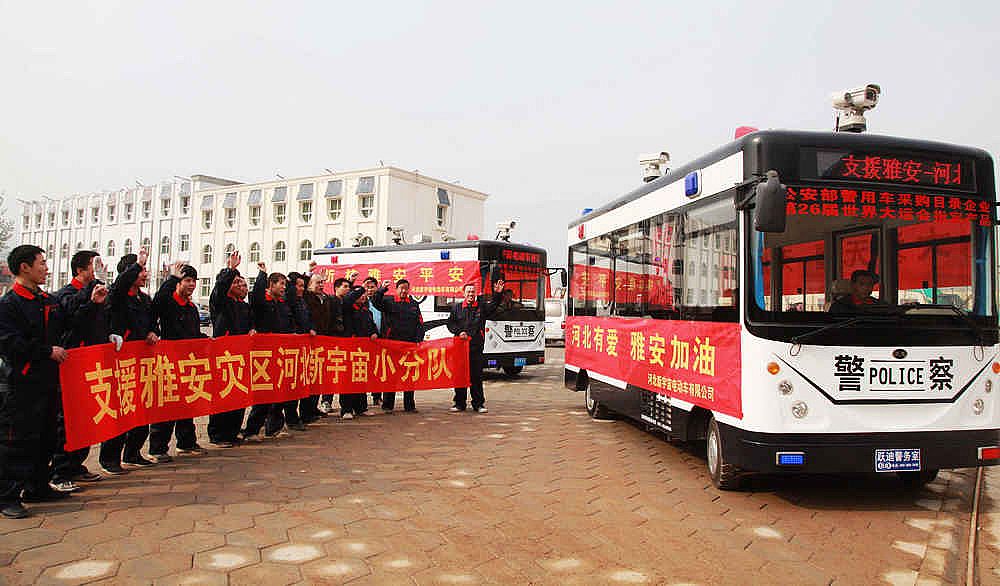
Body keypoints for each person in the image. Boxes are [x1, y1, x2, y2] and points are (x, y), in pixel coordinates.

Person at [0, 245, 69, 518]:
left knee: (45, 436)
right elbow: (8, 343)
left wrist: (92, 302)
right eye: (41, 263)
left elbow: (66, 323)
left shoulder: (46, 300)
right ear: (25, 267)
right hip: (21, 384)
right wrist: (45, 352)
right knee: (17, 441)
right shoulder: (9, 305)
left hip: (47, 382)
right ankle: (7, 496)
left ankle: (37, 486)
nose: (46, 267)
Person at [49, 250, 111, 491]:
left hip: (91, 365)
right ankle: (59, 471)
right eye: (95, 265)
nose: (99, 269)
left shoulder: (98, 295)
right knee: (67, 421)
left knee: (86, 419)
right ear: (81, 270)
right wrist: (91, 296)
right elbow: (72, 320)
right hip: (71, 366)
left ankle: (76, 465)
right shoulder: (65, 295)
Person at [101, 251, 159, 471]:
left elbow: (153, 321)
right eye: (141, 271)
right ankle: (109, 459)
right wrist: (137, 264)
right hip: (121, 362)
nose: (145, 274)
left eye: (144, 270)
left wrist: (153, 332)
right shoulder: (117, 297)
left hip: (143, 362)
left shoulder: (144, 299)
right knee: (121, 410)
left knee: (142, 409)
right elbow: (118, 286)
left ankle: (133, 452)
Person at [148, 262, 209, 462]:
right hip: (167, 363)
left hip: (186, 363)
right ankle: (157, 448)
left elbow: (192, 334)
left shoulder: (191, 308)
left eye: (194, 281)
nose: (191, 285)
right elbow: (159, 300)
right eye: (187, 280)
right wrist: (172, 278)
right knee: (167, 407)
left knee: (186, 405)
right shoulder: (168, 302)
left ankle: (186, 442)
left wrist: (205, 340)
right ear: (179, 283)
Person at [244, 263, 301, 438]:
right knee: (264, 394)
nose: (284, 288)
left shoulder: (283, 304)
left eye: (285, 284)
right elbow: (257, 293)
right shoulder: (260, 301)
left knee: (280, 391)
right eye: (281, 284)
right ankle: (252, 429)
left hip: (281, 353)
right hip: (264, 355)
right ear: (271, 284)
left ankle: (274, 428)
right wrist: (262, 274)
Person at [207, 251, 254, 447]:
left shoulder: (244, 307)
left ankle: (233, 432)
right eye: (236, 283)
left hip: (241, 357)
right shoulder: (221, 303)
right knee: (223, 396)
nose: (241, 287)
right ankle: (217, 434)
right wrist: (230, 270)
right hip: (223, 357)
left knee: (239, 396)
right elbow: (219, 288)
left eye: (243, 284)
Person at [447, 279, 505, 413]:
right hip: (460, 347)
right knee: (460, 376)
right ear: (463, 293)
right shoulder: (456, 308)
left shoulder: (481, 307)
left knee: (476, 376)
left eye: (473, 292)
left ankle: (478, 404)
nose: (471, 294)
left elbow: (494, 306)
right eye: (468, 291)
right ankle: (459, 404)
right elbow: (450, 324)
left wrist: (497, 294)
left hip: (476, 347)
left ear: (476, 293)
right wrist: (458, 332)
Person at [372, 279, 424, 413]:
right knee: (391, 375)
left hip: (409, 346)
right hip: (392, 345)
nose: (404, 291)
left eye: (406, 288)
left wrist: (418, 339)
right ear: (396, 289)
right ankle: (388, 405)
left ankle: (409, 405)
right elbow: (375, 301)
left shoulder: (413, 304)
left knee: (409, 375)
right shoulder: (389, 302)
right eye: (401, 288)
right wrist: (382, 289)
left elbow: (419, 323)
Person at [339, 276, 379, 419]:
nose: (363, 296)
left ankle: (361, 407)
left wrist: (374, 333)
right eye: (359, 294)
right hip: (349, 349)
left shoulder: (366, 311)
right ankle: (346, 409)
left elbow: (372, 326)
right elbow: (349, 299)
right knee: (347, 380)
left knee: (361, 378)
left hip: (362, 352)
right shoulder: (347, 308)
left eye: (363, 294)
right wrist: (361, 287)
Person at [288, 272, 320, 423]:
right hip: (290, 349)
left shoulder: (302, 301)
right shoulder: (289, 301)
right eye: (299, 286)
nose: (302, 289)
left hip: (303, 348)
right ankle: (288, 419)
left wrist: (311, 328)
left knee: (302, 383)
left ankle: (300, 416)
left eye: (303, 286)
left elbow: (308, 318)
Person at [319, 277, 351, 414]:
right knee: (330, 374)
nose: (347, 289)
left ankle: (346, 408)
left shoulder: (348, 303)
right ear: (336, 288)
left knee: (344, 376)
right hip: (332, 343)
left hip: (345, 343)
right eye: (345, 286)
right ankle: (326, 401)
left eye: (349, 286)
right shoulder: (331, 301)